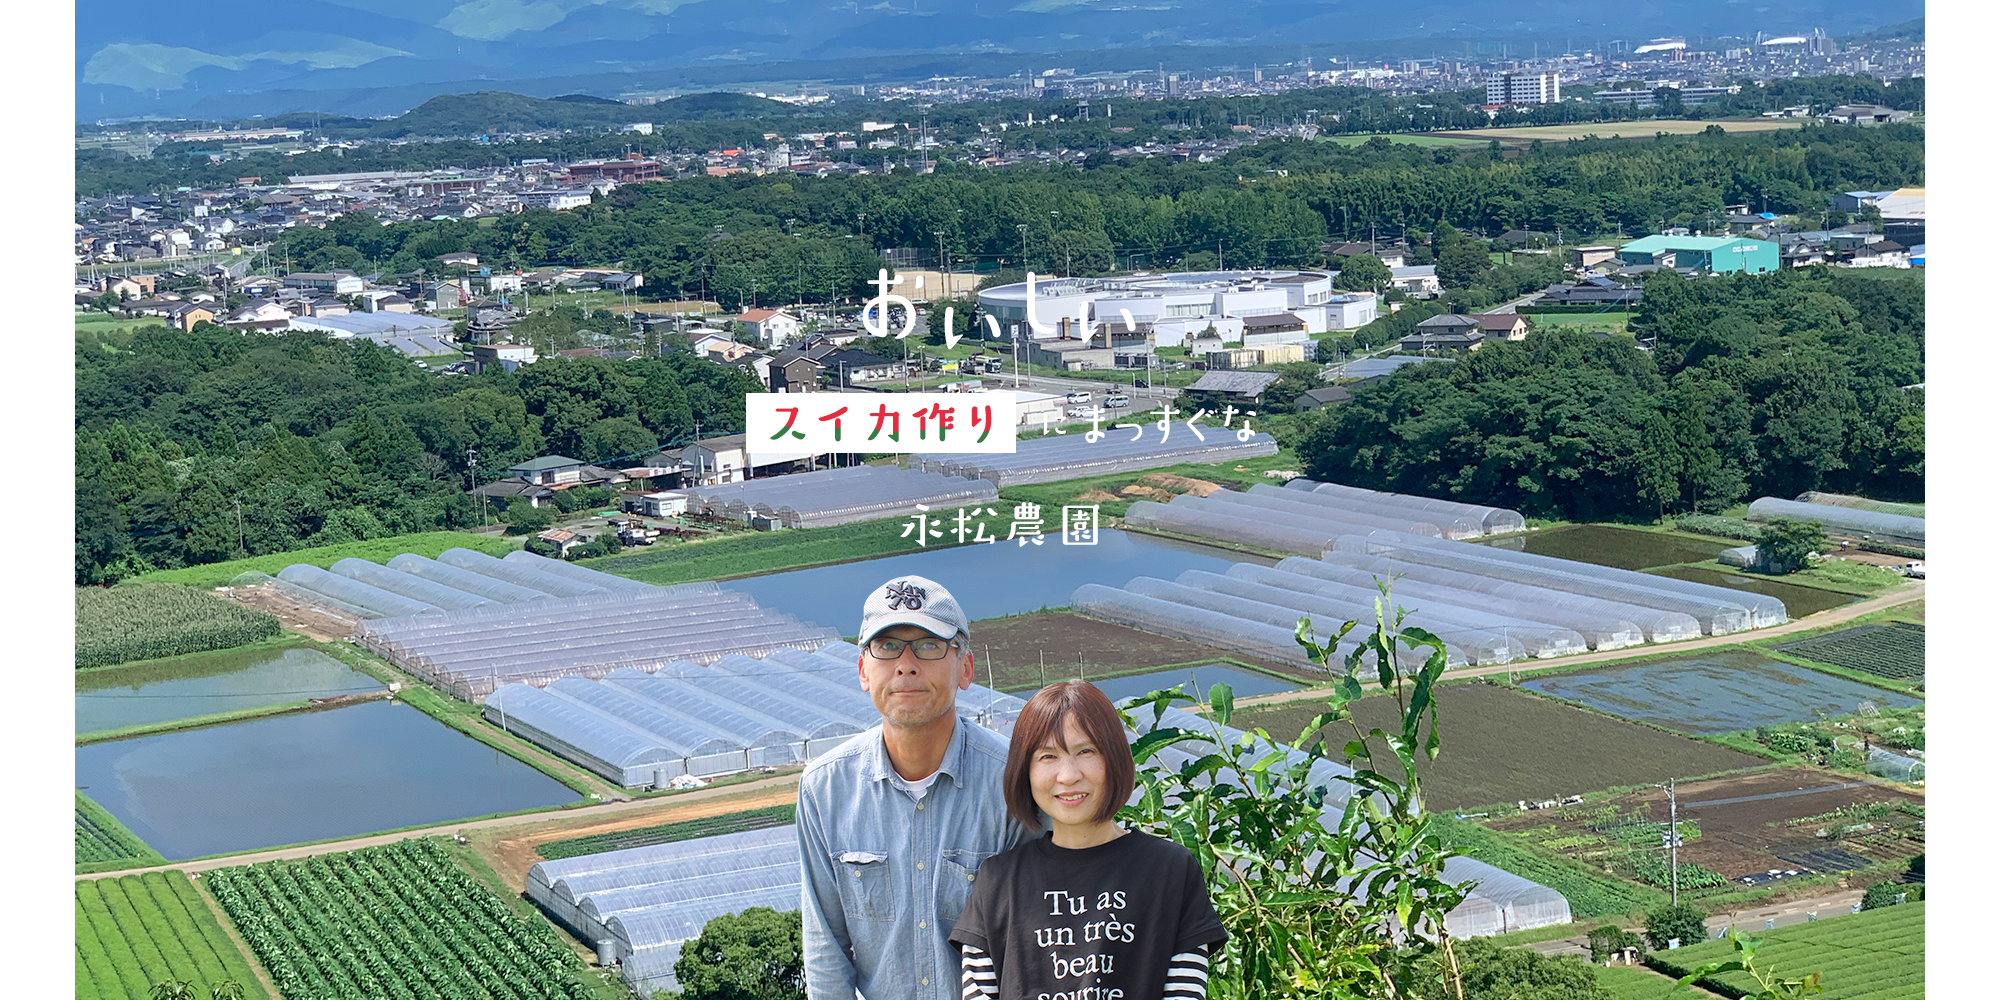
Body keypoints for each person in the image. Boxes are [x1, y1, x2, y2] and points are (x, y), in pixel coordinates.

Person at [798, 574, 1034, 1000]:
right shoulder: (825, 788)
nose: (906, 664)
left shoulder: (1012, 781)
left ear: (965, 668)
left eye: (929, 645)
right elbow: (825, 949)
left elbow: (1034, 944)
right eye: (887, 646)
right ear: (863, 671)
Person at [950, 681, 1227, 1000]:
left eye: (1086, 751)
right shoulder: (997, 882)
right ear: (1024, 771)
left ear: (1115, 760)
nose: (1068, 775)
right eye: (1047, 756)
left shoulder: (1171, 872)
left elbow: (1185, 993)